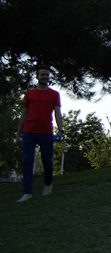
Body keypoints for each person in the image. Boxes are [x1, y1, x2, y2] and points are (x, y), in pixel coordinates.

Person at [15, 67, 64, 203]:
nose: (45, 77)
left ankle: (48, 186)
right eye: (42, 74)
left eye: (47, 75)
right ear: (37, 77)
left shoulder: (54, 94)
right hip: (29, 132)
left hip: (46, 132)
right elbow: (24, 114)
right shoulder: (30, 94)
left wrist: (61, 130)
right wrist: (18, 134)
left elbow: (57, 113)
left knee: (47, 161)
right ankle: (27, 192)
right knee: (27, 161)